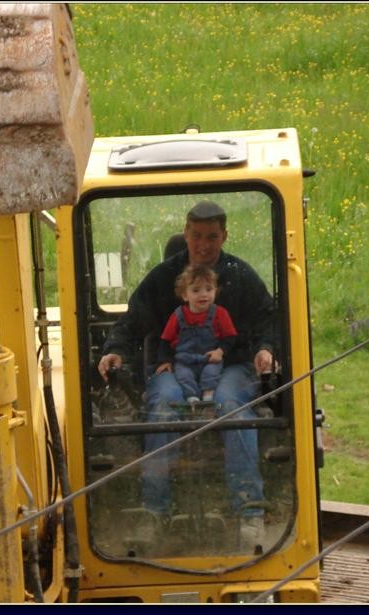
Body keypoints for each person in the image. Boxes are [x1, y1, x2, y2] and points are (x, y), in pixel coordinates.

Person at [97, 199, 275, 548]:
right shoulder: (163, 279)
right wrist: (114, 351)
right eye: (196, 236)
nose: (203, 244)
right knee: (162, 404)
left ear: (224, 236)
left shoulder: (242, 277)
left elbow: (269, 319)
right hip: (173, 366)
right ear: (185, 234)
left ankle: (249, 509)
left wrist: (267, 349)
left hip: (230, 366)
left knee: (232, 406)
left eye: (211, 236)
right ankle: (154, 510)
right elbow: (132, 321)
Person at [156, 264, 237, 404]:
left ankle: (208, 398)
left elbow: (230, 337)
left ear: (215, 291)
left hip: (209, 359)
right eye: (196, 290)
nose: (203, 294)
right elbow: (165, 340)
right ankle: (192, 400)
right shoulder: (178, 315)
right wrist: (165, 361)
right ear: (185, 295)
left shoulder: (220, 313)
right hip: (185, 361)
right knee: (183, 375)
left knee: (211, 373)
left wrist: (220, 352)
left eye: (209, 289)